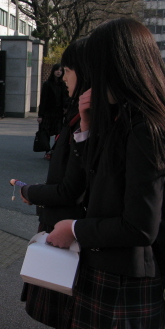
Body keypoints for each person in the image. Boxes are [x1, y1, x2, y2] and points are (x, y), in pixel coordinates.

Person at [47, 18, 165, 328]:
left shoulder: (145, 128)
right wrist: (86, 127)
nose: (91, 81)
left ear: (118, 68)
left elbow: (140, 226)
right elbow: (98, 177)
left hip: (124, 278)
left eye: (96, 69)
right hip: (109, 267)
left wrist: (74, 229)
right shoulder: (125, 116)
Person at [16, 38, 88, 328]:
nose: (64, 75)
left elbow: (72, 186)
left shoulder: (89, 121)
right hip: (66, 228)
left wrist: (30, 191)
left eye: (67, 70)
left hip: (70, 232)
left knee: (66, 313)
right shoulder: (78, 114)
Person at [38, 64, 69, 160]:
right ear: (53, 71)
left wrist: (66, 108)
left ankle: (54, 150)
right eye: (56, 70)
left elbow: (65, 98)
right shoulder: (47, 84)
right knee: (45, 132)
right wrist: (40, 115)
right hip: (48, 111)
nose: (58, 72)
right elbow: (43, 100)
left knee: (59, 132)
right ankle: (47, 150)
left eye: (60, 70)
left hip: (59, 112)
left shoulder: (63, 84)